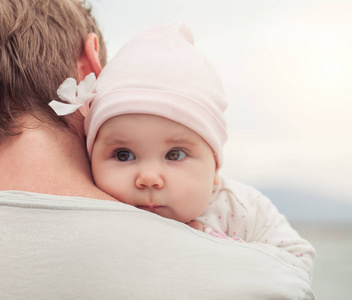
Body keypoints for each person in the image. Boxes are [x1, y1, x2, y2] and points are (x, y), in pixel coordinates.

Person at [0, 0, 315, 299]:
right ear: (89, 68)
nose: (148, 178)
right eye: (123, 154)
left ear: (216, 166)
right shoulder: (266, 284)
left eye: (175, 154)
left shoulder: (242, 209)